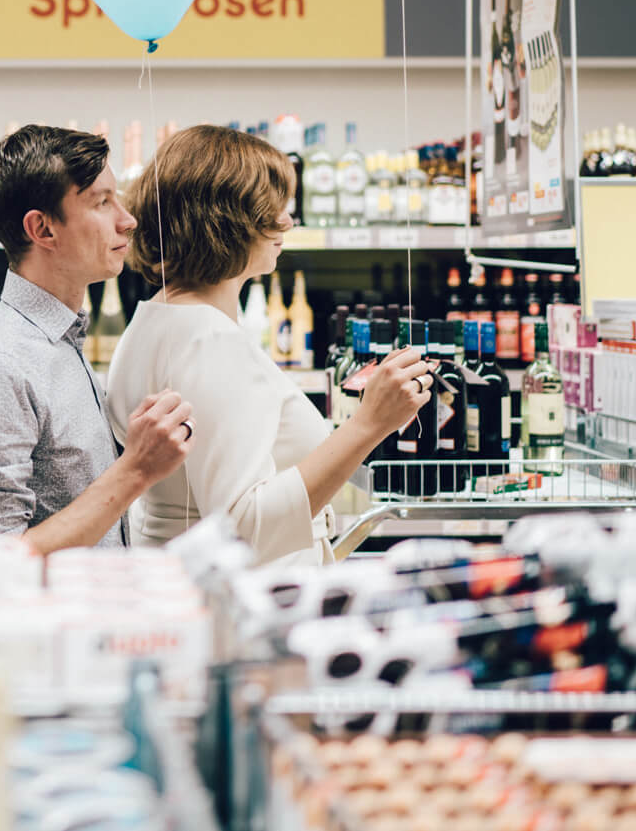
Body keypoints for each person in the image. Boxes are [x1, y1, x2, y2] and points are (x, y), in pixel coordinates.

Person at [105, 125, 432, 564]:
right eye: (269, 209)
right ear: (223, 221)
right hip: (238, 603)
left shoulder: (151, 321)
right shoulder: (211, 340)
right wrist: (369, 424)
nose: (287, 222)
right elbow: (242, 527)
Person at [0, 125, 192, 553]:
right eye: (102, 202)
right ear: (43, 230)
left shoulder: (60, 340)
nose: (127, 220)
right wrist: (135, 470)